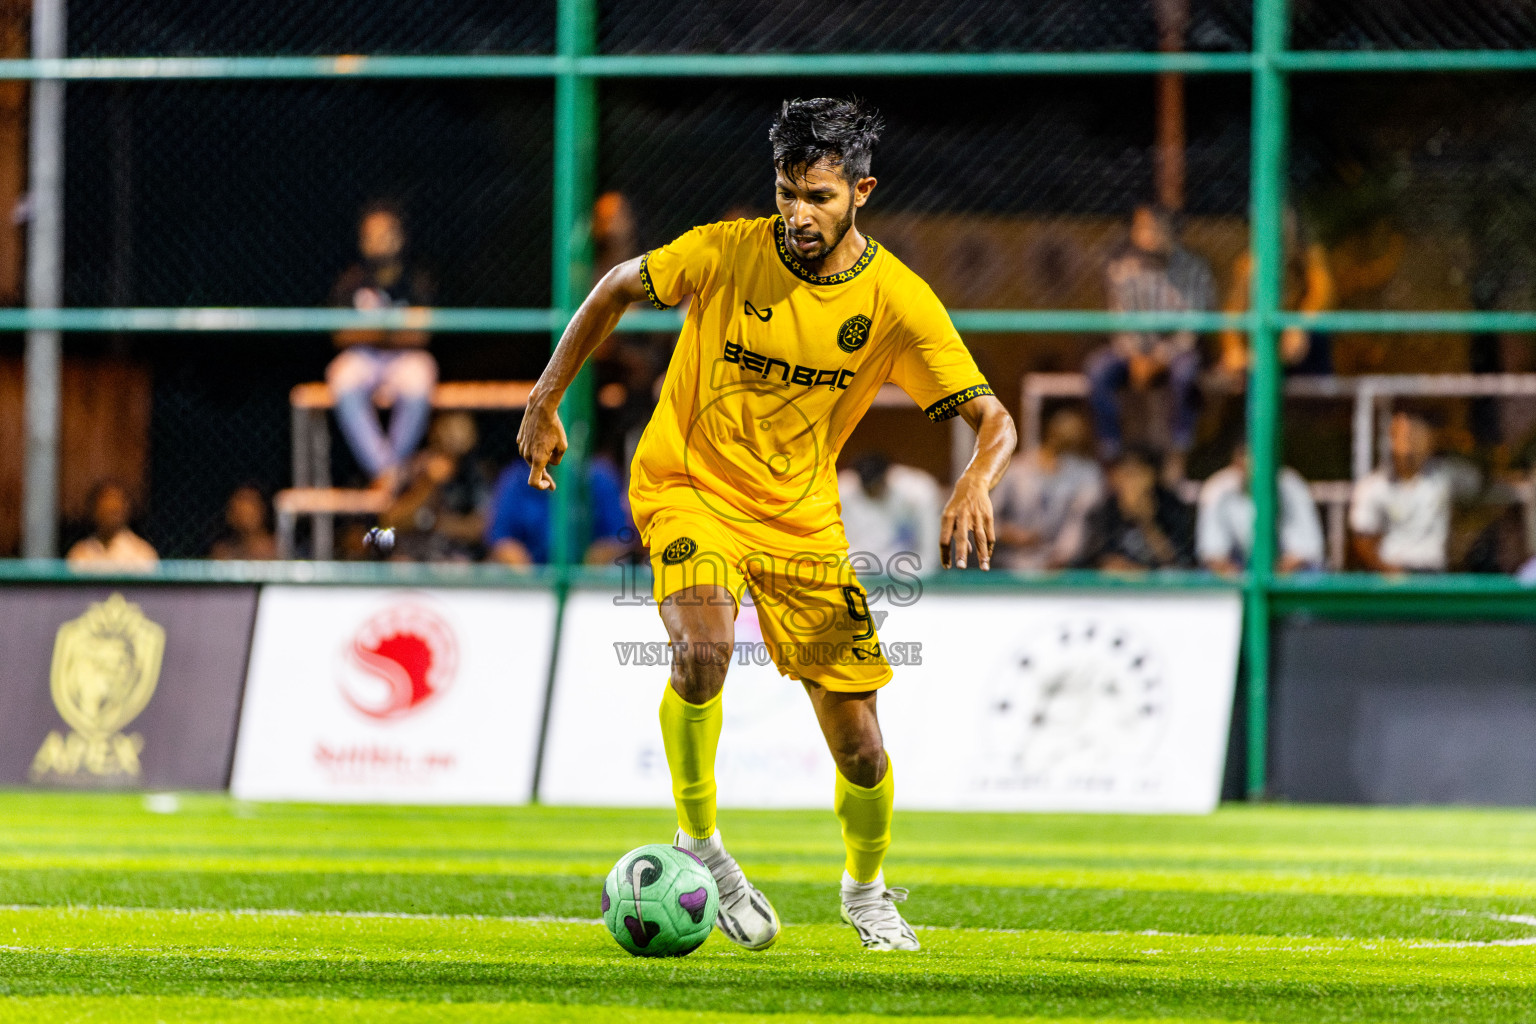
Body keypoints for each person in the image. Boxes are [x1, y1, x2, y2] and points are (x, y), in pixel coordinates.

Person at [516, 97, 1016, 952]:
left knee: (861, 746)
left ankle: (867, 893)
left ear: (861, 191)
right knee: (702, 647)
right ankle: (701, 841)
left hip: (801, 523)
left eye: (818, 196)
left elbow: (994, 417)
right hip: (689, 487)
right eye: (787, 191)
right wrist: (544, 397)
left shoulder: (895, 299)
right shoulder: (727, 250)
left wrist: (976, 477)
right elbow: (613, 288)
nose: (798, 213)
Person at [1087, 204, 1215, 482]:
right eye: (1140, 227)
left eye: (1153, 227)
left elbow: (1192, 328)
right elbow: (1121, 321)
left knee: (1186, 372)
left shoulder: (1194, 269)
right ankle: (1113, 453)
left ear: (1170, 230)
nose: (1146, 234)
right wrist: (1136, 356)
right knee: (1098, 369)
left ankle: (1178, 452)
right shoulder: (1123, 270)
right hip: (1135, 354)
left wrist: (1160, 357)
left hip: (1175, 354)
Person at [325, 200, 438, 492]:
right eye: (370, 235)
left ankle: (386, 474)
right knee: (342, 377)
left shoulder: (417, 279)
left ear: (399, 237)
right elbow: (340, 335)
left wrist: (370, 330)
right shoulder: (350, 281)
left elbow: (420, 336)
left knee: (420, 379)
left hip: (405, 358)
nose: (377, 241)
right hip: (365, 358)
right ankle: (388, 472)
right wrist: (391, 331)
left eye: (384, 233)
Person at [1218, 209, 1335, 380]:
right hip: (1264, 340)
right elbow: (1233, 311)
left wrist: (1299, 325)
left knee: (1314, 337)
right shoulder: (1248, 264)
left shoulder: (1309, 256)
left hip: (1300, 335)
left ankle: (1317, 401)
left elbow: (1323, 296)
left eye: (1285, 226)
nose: (1279, 233)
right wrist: (1233, 349)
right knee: (1245, 365)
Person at [992, 407, 1102, 571]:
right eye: (1065, 429)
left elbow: (1080, 521)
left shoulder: (1087, 474)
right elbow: (985, 519)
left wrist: (1061, 557)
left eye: (1077, 432)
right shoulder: (1018, 469)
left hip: (1063, 571)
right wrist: (1009, 534)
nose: (1072, 435)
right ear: (1051, 430)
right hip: (1012, 567)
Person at [1196, 440, 1324, 575]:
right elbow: (1212, 555)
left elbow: (1306, 552)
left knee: (1311, 573)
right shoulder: (1218, 490)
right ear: (1236, 463)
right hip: (1240, 566)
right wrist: (1240, 579)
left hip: (1286, 570)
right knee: (1207, 575)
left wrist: (1271, 577)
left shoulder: (1292, 486)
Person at [380, 412, 491, 563]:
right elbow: (390, 522)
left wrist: (434, 524)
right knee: (400, 564)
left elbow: (481, 528)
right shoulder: (415, 467)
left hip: (455, 558)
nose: (454, 435)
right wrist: (429, 484)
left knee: (461, 565)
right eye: (448, 427)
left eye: (460, 427)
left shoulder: (474, 473)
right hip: (413, 555)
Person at [1349, 409, 1451, 573]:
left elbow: (1486, 480)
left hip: (1434, 573)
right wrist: (1388, 570)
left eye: (1413, 435)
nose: (1408, 443)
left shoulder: (1445, 476)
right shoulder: (1372, 486)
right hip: (1393, 573)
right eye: (1400, 436)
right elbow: (1362, 539)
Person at [485, 453, 630, 566]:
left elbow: (618, 536)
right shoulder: (516, 479)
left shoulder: (598, 477)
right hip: (531, 579)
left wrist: (590, 565)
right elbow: (501, 537)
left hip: (587, 580)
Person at [1073, 446, 1196, 570]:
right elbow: (1097, 558)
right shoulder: (1105, 508)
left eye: (1134, 474)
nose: (1129, 481)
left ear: (1151, 475)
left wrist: (1146, 523)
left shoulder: (1171, 506)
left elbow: (1178, 561)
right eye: (1123, 474)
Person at [836, 452, 943, 577]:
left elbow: (929, 555)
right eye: (868, 489)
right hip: (863, 563)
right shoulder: (843, 492)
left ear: (886, 478)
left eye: (875, 486)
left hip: (907, 564)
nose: (873, 491)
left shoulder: (918, 493)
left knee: (913, 572)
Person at [66, 481, 158, 570]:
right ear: (94, 511)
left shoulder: (142, 554)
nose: (109, 516)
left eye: (114, 511)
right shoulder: (79, 554)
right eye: (105, 510)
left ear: (126, 511)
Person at [208, 484, 278, 561]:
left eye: (250, 503)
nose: (243, 511)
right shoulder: (223, 552)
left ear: (263, 510)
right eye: (236, 509)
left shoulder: (278, 549)